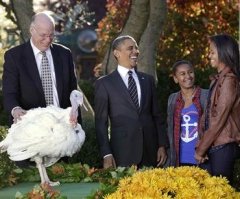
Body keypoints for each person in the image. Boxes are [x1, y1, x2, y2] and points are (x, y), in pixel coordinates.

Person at [2, 11, 81, 167]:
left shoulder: (64, 54)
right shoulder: (14, 56)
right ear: (32, 30)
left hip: (61, 136)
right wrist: (15, 109)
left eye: (51, 35)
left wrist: (75, 120)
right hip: (30, 137)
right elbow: (9, 93)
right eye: (43, 35)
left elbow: (73, 91)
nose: (48, 40)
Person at [94, 35, 168, 168]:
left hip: (151, 152)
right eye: (130, 48)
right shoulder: (105, 84)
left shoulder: (148, 80)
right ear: (117, 53)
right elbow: (101, 123)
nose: (135, 51)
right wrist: (106, 154)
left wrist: (162, 145)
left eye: (136, 48)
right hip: (122, 153)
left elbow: (157, 116)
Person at [195, 34, 240, 183]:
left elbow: (218, 119)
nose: (209, 55)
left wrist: (201, 149)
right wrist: (203, 144)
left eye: (212, 52)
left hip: (223, 145)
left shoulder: (229, 81)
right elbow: (208, 115)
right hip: (213, 144)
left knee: (221, 192)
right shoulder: (219, 79)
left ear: (224, 52)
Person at [165, 60, 208, 167]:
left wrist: (205, 150)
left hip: (201, 156)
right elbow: (169, 127)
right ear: (175, 79)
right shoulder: (172, 99)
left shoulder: (206, 96)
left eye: (190, 72)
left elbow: (212, 126)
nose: (188, 76)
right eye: (182, 74)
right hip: (179, 158)